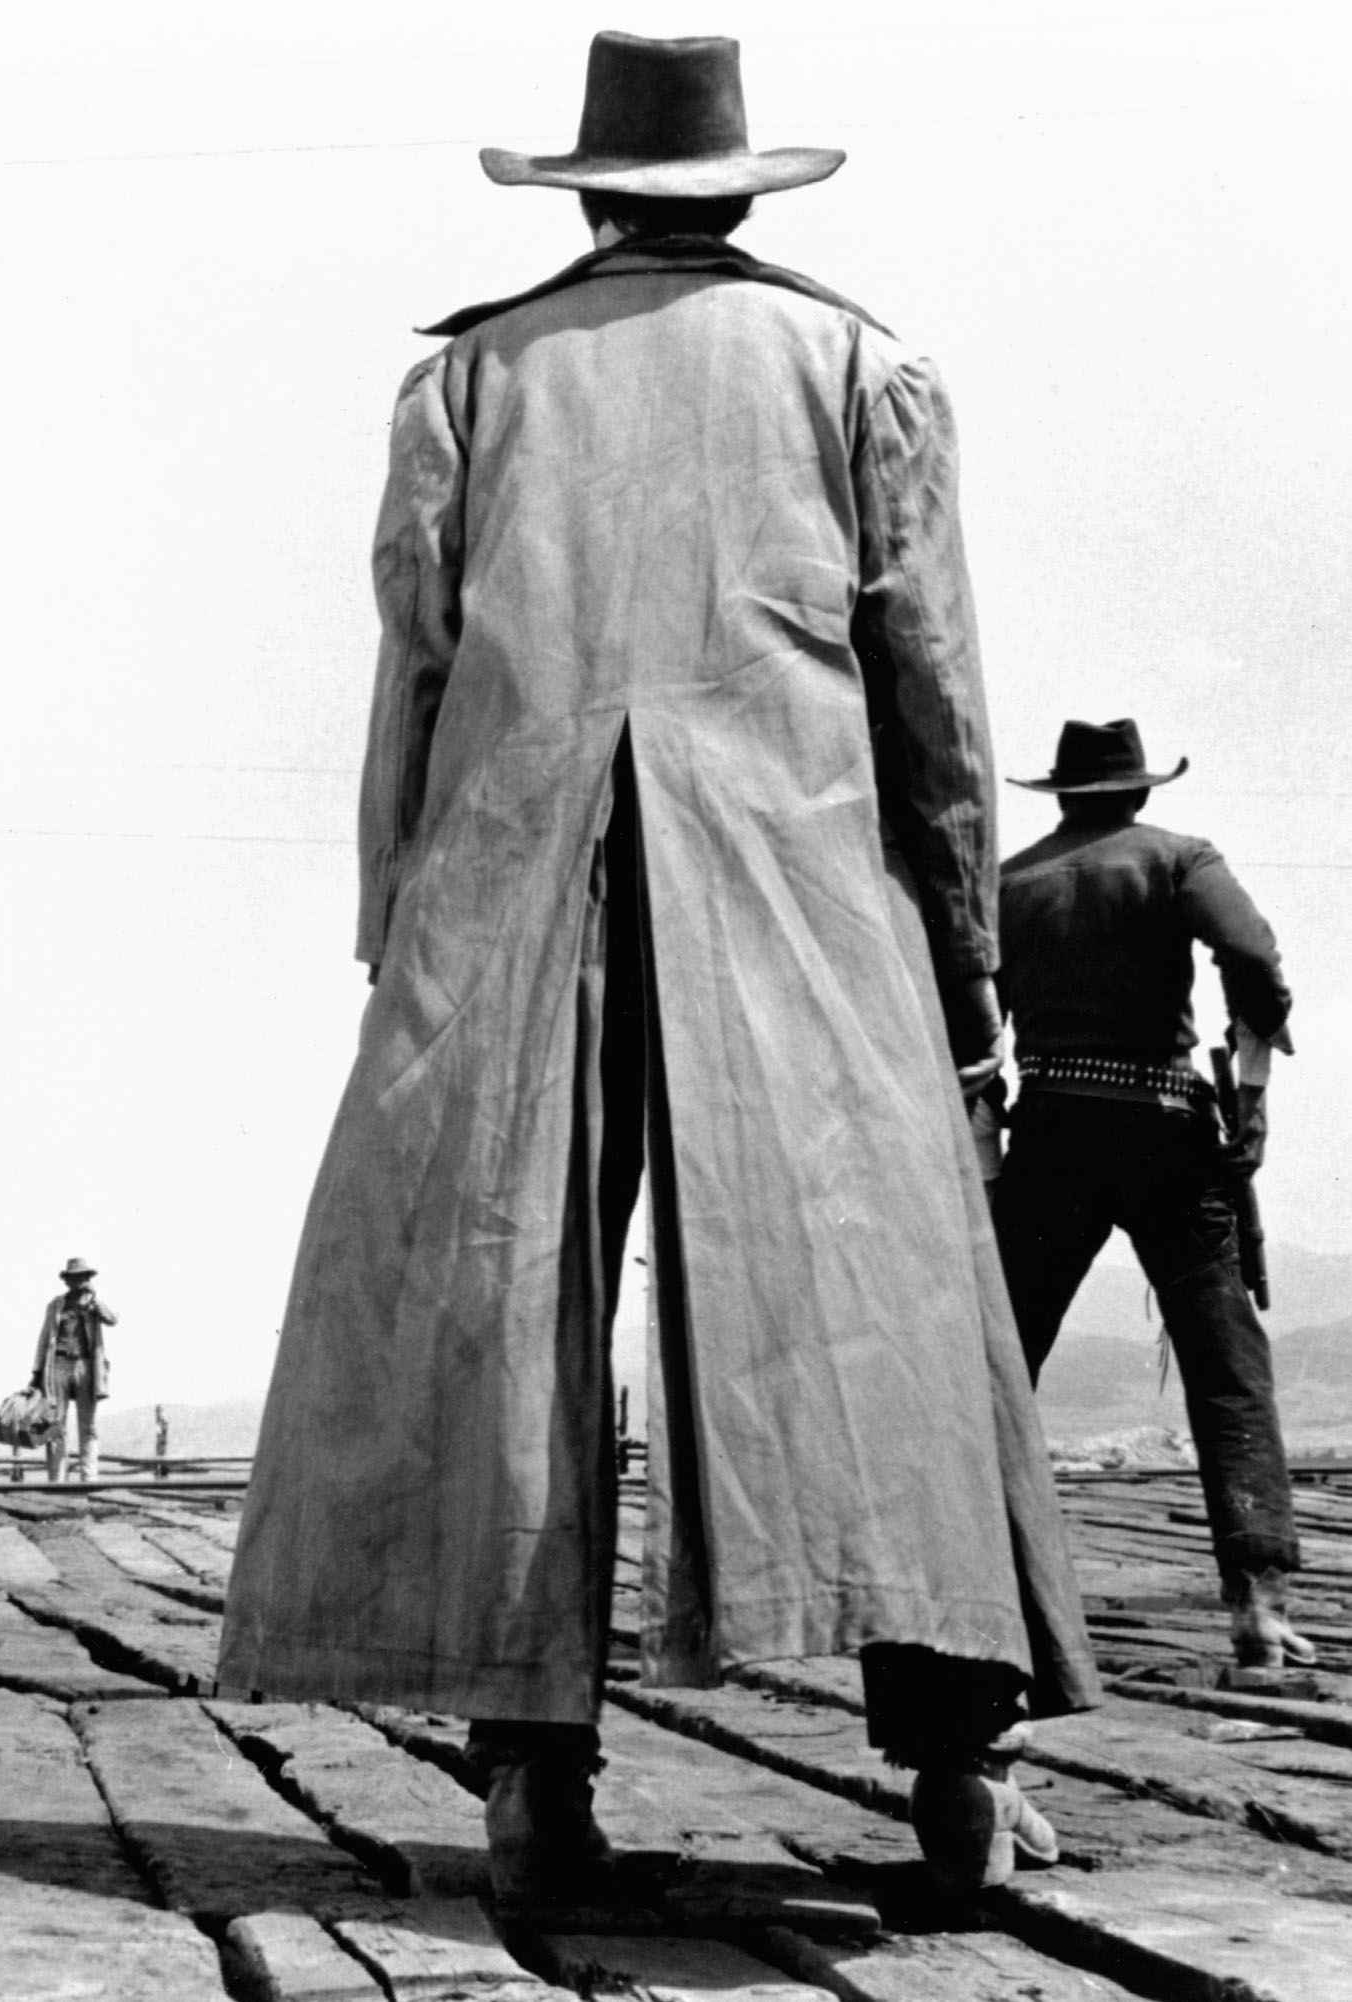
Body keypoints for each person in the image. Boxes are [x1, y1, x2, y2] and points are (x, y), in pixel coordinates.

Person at [216, 31, 1098, 1899]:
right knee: (881, 1297)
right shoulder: (860, 367)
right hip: (796, 874)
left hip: (510, 874)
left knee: (495, 1296)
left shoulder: (472, 376)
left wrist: (398, 922)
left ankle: (530, 1778)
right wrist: (961, 965)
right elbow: (934, 695)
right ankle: (958, 1761)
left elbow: (414, 673)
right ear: (736, 188)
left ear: (593, 195)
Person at [994, 718, 1310, 1671]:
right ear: (1139, 793)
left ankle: (980, 1597)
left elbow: (969, 1009)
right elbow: (1249, 954)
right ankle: (1257, 1606)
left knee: (1003, 1360)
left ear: (1061, 796)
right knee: (1225, 1367)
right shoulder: (1179, 858)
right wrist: (1254, 1076)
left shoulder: (1008, 882)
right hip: (1166, 1133)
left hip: (1047, 1135)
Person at [30, 1258, 116, 1482]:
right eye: (75, 1277)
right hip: (58, 1365)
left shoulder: (93, 1304)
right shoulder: (56, 1305)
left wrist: (94, 1299)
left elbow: (112, 1319)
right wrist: (37, 1373)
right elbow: (44, 1339)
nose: (79, 1281)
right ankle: (57, 1479)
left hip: (85, 1366)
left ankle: (89, 1478)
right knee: (55, 1424)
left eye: (83, 1277)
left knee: (88, 1425)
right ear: (67, 1280)